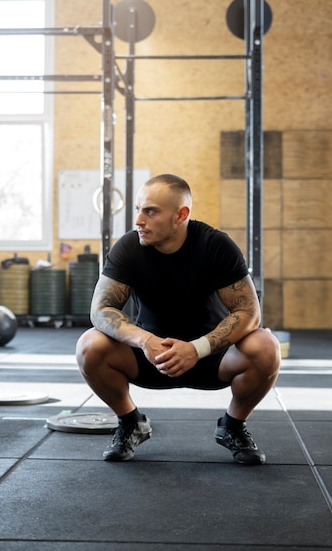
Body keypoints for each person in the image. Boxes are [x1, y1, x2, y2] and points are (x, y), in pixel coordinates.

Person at [76, 174, 281, 465]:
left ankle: (233, 426)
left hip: (213, 357)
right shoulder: (130, 247)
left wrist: (196, 348)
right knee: (89, 345)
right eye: (137, 210)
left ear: (181, 215)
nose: (138, 221)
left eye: (150, 211)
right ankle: (130, 422)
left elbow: (249, 312)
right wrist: (145, 340)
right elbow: (101, 309)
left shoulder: (215, 246)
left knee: (266, 346)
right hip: (150, 355)